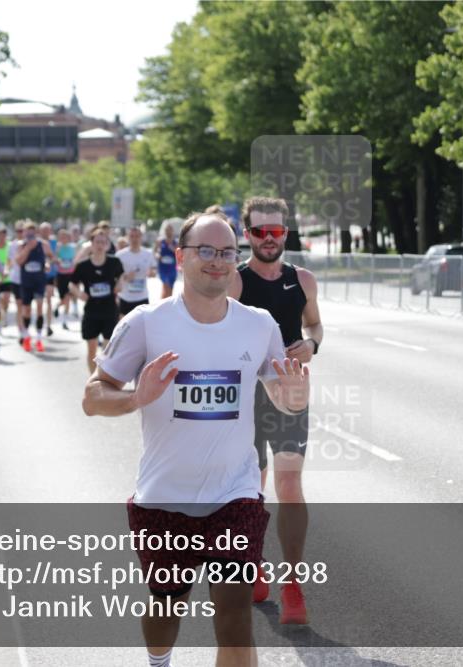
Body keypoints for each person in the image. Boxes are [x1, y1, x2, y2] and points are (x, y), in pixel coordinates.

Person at [82, 212, 309, 667]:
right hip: (164, 497)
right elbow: (92, 397)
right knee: (166, 610)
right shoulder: (146, 322)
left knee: (235, 621)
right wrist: (134, 398)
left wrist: (295, 399)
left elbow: (281, 398)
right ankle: (158, 660)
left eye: (227, 252)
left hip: (236, 494)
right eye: (205, 250)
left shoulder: (259, 324)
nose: (218, 261)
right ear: (180, 256)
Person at [227, 197, 323, 625]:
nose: (269, 239)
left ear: (286, 233)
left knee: (289, 486)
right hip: (246, 397)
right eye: (261, 232)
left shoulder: (302, 279)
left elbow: (315, 324)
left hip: (291, 393)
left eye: (277, 232)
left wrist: (312, 344)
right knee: (252, 489)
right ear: (247, 235)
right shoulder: (234, 281)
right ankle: (256, 563)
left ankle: (293, 585)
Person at [68, 230, 123, 373]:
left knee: (107, 350)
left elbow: (121, 275)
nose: (100, 245)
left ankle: (103, 380)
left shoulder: (114, 262)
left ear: (107, 245)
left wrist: (120, 284)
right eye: (97, 242)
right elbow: (71, 284)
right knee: (91, 350)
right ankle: (93, 380)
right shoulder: (83, 265)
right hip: (91, 311)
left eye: (103, 242)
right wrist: (79, 293)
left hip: (109, 310)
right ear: (91, 244)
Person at [14, 220, 56, 352]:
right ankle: (26, 336)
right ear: (24, 233)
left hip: (39, 281)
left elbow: (51, 257)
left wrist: (48, 263)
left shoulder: (43, 244)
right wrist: (28, 248)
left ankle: (38, 338)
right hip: (26, 282)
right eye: (27, 233)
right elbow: (19, 261)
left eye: (32, 233)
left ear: (36, 233)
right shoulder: (21, 245)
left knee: (39, 307)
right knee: (26, 310)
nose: (30, 235)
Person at [115, 226, 157, 319]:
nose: (134, 239)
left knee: (142, 327)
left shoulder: (148, 254)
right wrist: (126, 277)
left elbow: (154, 268)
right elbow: (114, 276)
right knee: (123, 328)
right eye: (132, 236)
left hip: (142, 297)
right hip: (125, 297)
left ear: (141, 237)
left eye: (137, 236)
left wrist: (152, 273)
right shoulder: (120, 255)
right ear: (128, 238)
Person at [53, 227, 78, 330]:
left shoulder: (73, 247)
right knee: (63, 299)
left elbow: (76, 260)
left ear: (68, 238)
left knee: (68, 298)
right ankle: (57, 307)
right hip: (61, 275)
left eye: (65, 237)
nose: (64, 239)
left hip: (70, 275)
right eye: (61, 237)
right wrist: (58, 260)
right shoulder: (57, 247)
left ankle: (64, 320)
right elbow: (54, 259)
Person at [0, 227, 14, 330]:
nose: (1, 237)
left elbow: (11, 261)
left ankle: (5, 314)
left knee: (6, 299)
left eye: (3, 235)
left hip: (7, 277)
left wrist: (6, 270)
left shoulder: (10, 246)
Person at [40, 222, 58, 336]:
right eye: (44, 230)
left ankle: (49, 325)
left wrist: (50, 261)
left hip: (50, 274)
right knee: (40, 301)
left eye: (48, 230)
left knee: (49, 298)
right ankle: (40, 323)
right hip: (38, 275)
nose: (46, 232)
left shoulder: (54, 242)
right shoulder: (36, 242)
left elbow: (56, 256)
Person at [155, 219, 180, 299]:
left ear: (172, 231)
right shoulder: (160, 241)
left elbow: (179, 254)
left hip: (172, 268)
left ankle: (167, 305)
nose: (168, 232)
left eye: (170, 230)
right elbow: (155, 252)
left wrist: (173, 249)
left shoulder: (176, 242)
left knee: (171, 288)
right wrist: (158, 256)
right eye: (167, 230)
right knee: (165, 286)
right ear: (164, 231)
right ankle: (162, 304)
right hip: (163, 267)